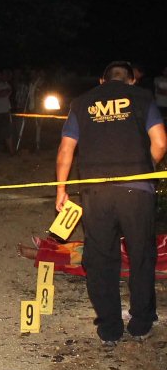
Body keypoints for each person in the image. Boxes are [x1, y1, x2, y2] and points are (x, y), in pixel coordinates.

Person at [55, 60, 167, 346]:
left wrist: (61, 189)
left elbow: (66, 148)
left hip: (96, 191)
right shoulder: (143, 98)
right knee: (141, 254)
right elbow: (161, 142)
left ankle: (109, 328)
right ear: (131, 81)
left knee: (101, 257)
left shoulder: (81, 102)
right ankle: (141, 323)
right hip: (136, 191)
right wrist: (146, 168)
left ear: (102, 81)